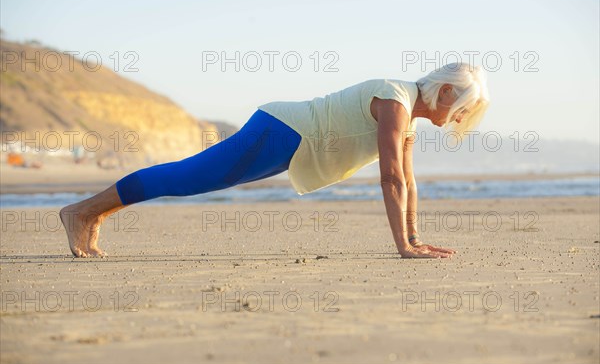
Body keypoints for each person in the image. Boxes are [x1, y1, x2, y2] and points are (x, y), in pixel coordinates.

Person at [60, 63, 490, 259]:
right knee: (189, 176)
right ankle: (80, 211)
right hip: (282, 130)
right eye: (463, 109)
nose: (460, 119)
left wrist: (414, 239)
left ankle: (94, 216)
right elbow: (390, 178)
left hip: (292, 141)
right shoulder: (396, 100)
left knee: (192, 179)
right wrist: (403, 247)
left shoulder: (408, 116)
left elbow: (408, 182)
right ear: (447, 92)